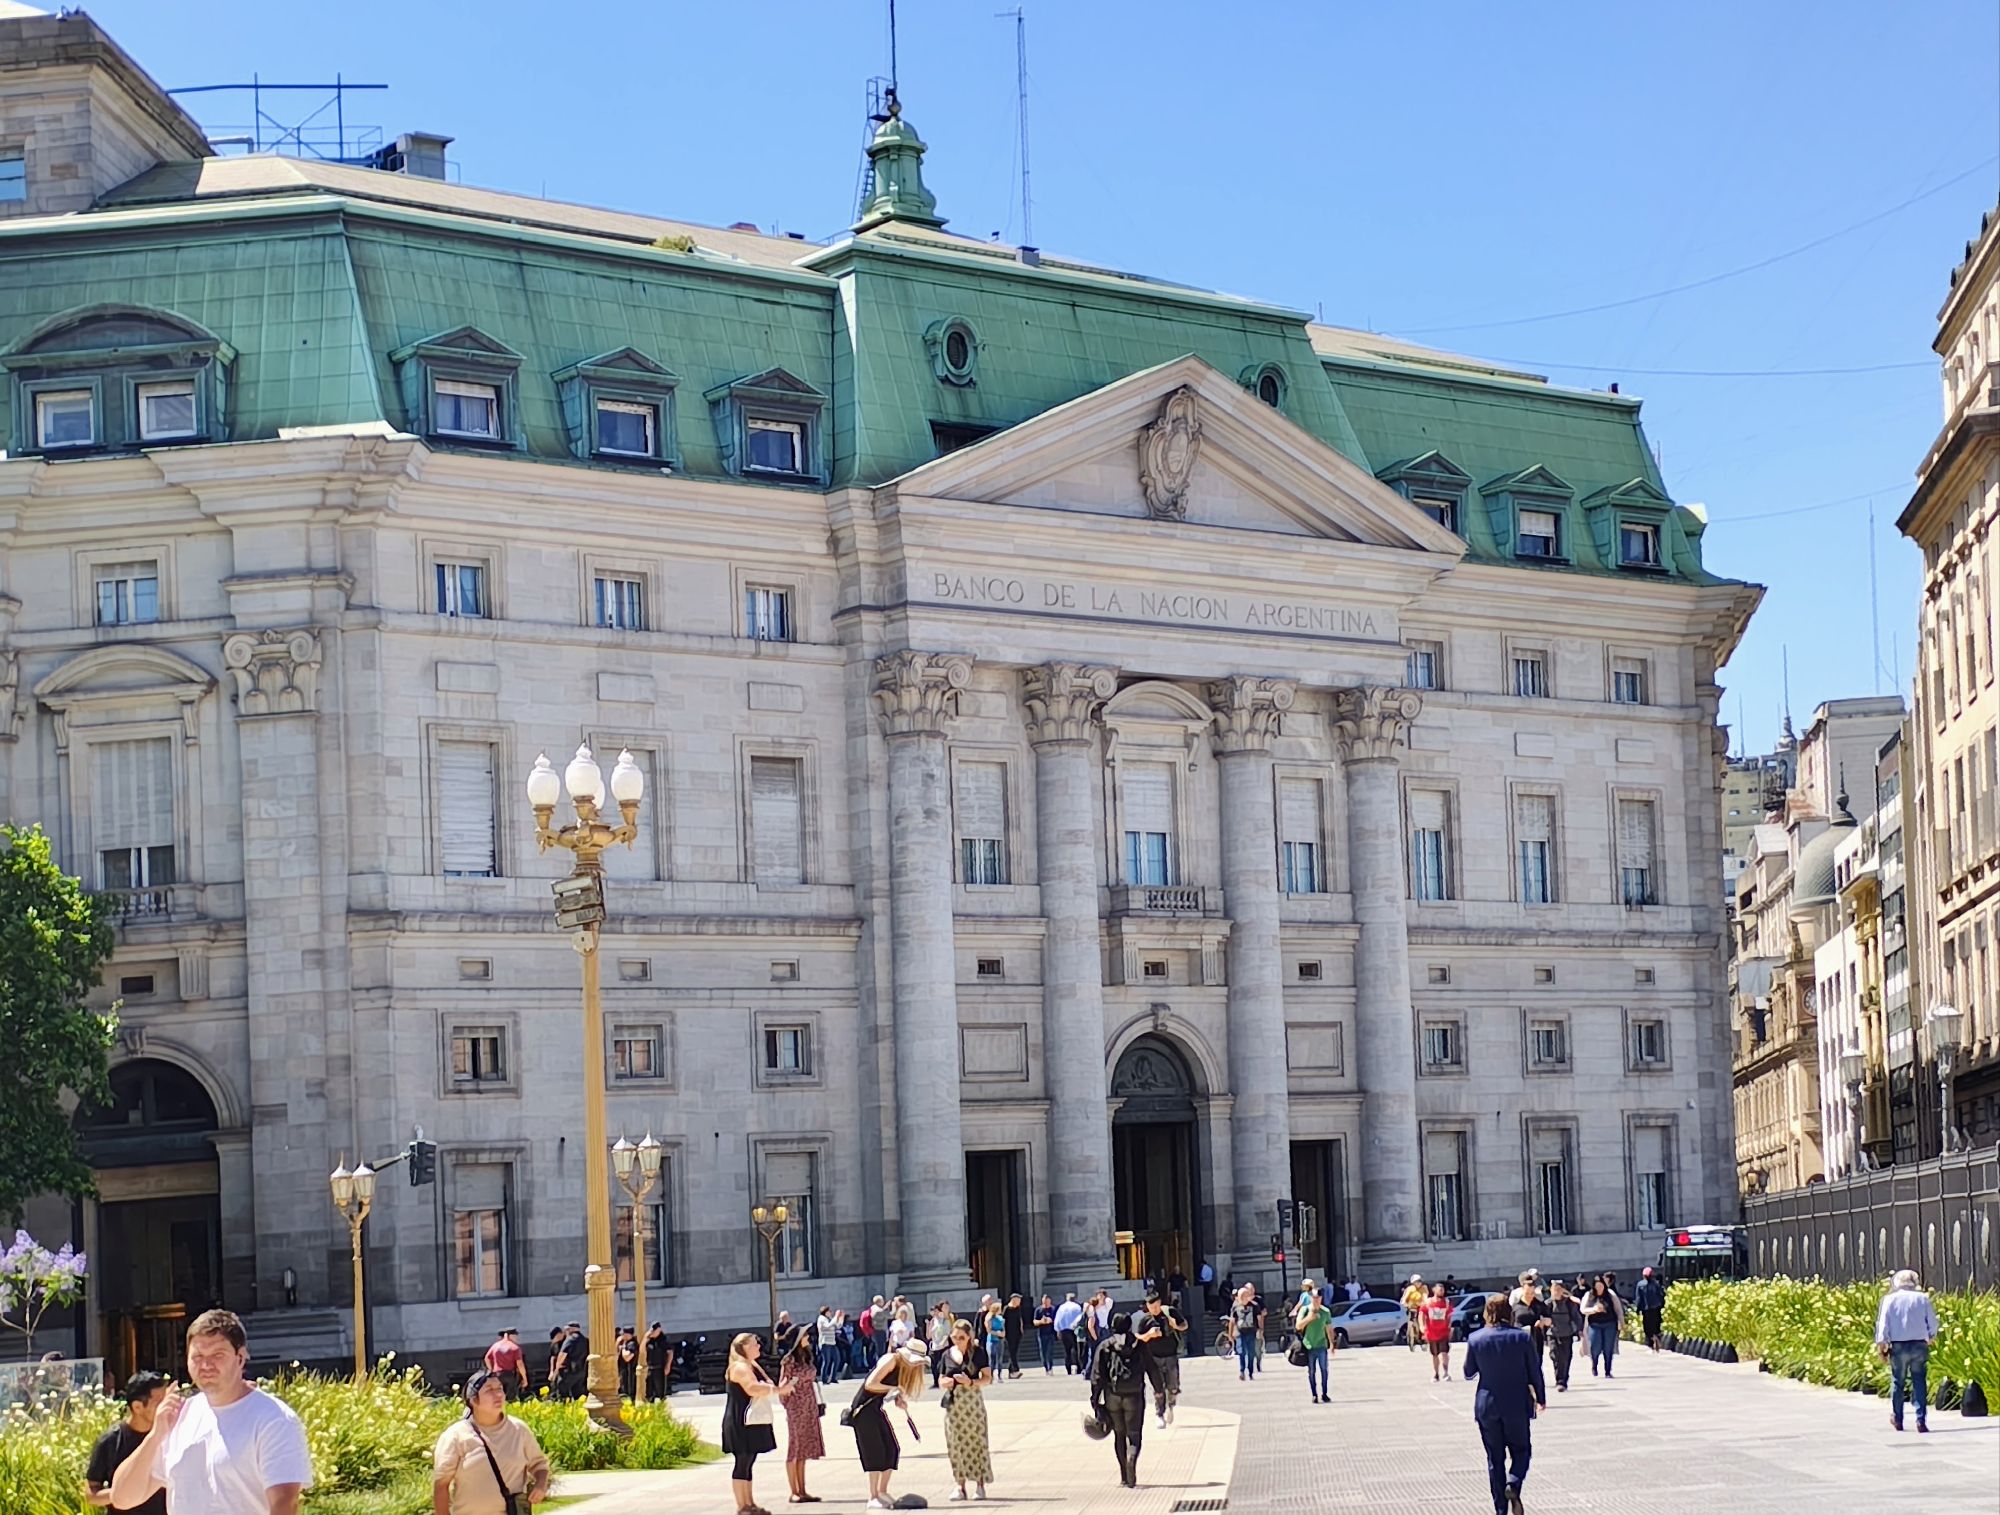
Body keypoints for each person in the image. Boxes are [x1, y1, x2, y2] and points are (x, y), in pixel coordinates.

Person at [110, 1309, 314, 1515]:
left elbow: (285, 1505)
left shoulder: (274, 1419)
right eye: (197, 1356)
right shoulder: (180, 1416)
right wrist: (155, 1436)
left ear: (240, 1357)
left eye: (218, 1355)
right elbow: (122, 1498)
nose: (206, 1365)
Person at [1462, 1294, 1546, 1515]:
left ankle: (1500, 1509)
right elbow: (1534, 1371)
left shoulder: (1476, 1339)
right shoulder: (1522, 1338)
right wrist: (1541, 1397)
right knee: (1521, 1450)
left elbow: (1468, 1372)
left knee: (1494, 1458)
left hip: (1487, 1406)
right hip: (1517, 1404)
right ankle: (1514, 1482)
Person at [432, 1368, 551, 1515]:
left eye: (500, 1389)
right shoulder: (456, 1436)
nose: (499, 1395)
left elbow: (540, 1465)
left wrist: (540, 1484)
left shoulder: (519, 1430)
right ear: (474, 1400)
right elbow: (441, 1485)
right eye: (489, 1390)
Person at [849, 1341, 928, 1510]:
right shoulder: (891, 1360)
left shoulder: (902, 1367)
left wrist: (897, 1398)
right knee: (874, 1451)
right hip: (863, 1411)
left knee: (892, 1449)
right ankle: (872, 1496)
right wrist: (893, 1388)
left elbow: (885, 1390)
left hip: (875, 1408)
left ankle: (882, 1491)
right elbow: (870, 1383)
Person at [85, 1370, 171, 1515]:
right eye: (159, 1402)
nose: (165, 1406)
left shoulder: (170, 1434)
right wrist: (126, 1491)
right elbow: (91, 1494)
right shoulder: (111, 1441)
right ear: (137, 1407)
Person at [1876, 1267, 1942, 1433]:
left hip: (1898, 1345)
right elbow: (1932, 1323)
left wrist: (1882, 1345)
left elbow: (1883, 1324)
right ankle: (1921, 1420)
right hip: (1919, 1344)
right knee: (1919, 1381)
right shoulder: (1922, 1298)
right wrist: (1930, 1336)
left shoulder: (1889, 1300)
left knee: (1898, 1381)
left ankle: (1898, 1418)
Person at [721, 1332, 780, 1515]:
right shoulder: (739, 1367)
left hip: (750, 1420)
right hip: (740, 1420)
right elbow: (752, 1388)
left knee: (749, 1460)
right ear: (744, 1347)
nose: (758, 1347)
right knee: (742, 1460)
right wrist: (776, 1389)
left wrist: (773, 1387)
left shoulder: (750, 1365)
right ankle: (742, 1506)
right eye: (755, 1344)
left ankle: (750, 1502)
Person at [1088, 1312, 1149, 1489]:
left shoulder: (1105, 1346)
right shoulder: (1139, 1344)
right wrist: (1160, 1391)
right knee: (1134, 1434)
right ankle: (1132, 1459)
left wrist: (1095, 1400)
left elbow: (1097, 1376)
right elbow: (1151, 1368)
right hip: (1134, 1395)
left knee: (1119, 1435)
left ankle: (1124, 1475)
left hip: (1113, 1395)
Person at [940, 1317, 994, 1500]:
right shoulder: (947, 1354)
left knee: (977, 1441)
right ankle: (959, 1485)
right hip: (954, 1404)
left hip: (972, 1402)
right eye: (954, 1337)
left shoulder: (978, 1353)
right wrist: (944, 1382)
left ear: (969, 1336)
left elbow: (987, 1378)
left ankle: (980, 1484)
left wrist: (970, 1381)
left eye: (961, 1337)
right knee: (955, 1444)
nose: (957, 1341)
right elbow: (940, 1378)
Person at [777, 1326, 825, 1503]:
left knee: (804, 1447)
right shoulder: (788, 1360)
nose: (808, 1337)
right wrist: (787, 1398)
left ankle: (803, 1490)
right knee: (795, 1446)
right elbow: (782, 1383)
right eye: (805, 1335)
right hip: (796, 1406)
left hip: (809, 1405)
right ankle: (794, 1491)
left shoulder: (806, 1357)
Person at [1133, 1290, 1185, 1427]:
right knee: (1158, 1388)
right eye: (1151, 1307)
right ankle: (1159, 1413)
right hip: (1153, 1358)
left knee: (1173, 1385)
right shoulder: (1145, 1320)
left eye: (1156, 1306)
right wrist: (1149, 1335)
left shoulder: (1170, 1313)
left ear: (1160, 1303)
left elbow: (1185, 1325)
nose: (1154, 1309)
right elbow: (1137, 1337)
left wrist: (1176, 1326)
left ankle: (1171, 1405)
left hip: (1171, 1356)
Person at [1293, 1282, 1333, 1404]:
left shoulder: (1325, 1311)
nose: (1316, 1300)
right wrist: (1310, 1318)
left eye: (1318, 1298)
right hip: (1308, 1345)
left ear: (1321, 1298)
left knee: (1324, 1370)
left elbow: (1329, 1328)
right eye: (1314, 1298)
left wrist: (1332, 1344)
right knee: (1311, 1371)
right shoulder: (1305, 1310)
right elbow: (1298, 1326)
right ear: (1310, 1298)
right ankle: (1314, 1394)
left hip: (1321, 1345)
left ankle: (1324, 1393)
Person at [1545, 1281, 1583, 1393]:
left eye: (1558, 1289)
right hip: (1552, 1334)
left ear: (1562, 1291)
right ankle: (1559, 1380)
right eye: (1553, 1289)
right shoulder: (1548, 1304)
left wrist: (1579, 1331)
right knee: (1555, 1357)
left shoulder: (1569, 1303)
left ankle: (1564, 1380)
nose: (1556, 1292)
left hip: (1567, 1334)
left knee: (1566, 1358)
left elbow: (1576, 1317)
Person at [1582, 1279, 1619, 1379]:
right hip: (1594, 1324)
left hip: (1609, 1323)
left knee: (1608, 1348)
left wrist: (1621, 1322)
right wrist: (1593, 1310)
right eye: (1597, 1286)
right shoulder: (1589, 1295)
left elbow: (1618, 1308)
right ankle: (1594, 1365)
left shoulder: (1610, 1294)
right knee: (1595, 1347)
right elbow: (1583, 1309)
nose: (1599, 1288)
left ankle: (1608, 1370)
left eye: (1601, 1286)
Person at [1421, 1281, 1456, 1383]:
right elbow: (1422, 1314)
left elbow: (1449, 1316)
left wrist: (1450, 1328)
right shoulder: (1428, 1303)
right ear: (1434, 1290)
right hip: (1431, 1333)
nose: (1442, 1291)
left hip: (1443, 1332)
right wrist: (1422, 1327)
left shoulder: (1446, 1302)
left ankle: (1446, 1372)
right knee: (1434, 1354)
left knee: (1444, 1352)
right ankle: (1436, 1374)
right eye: (1440, 1289)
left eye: (1443, 1290)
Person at [483, 1328, 527, 1401]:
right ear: (509, 1336)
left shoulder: (495, 1346)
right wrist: (524, 1378)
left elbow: (487, 1358)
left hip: (497, 1374)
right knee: (511, 1396)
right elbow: (520, 1364)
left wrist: (491, 1369)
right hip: (510, 1374)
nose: (517, 1338)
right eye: (515, 1336)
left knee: (499, 1394)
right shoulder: (515, 1347)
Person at [1229, 1285, 1262, 1381]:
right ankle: (1242, 1371)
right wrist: (1230, 1334)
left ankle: (1250, 1371)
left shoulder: (1255, 1306)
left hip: (1251, 1332)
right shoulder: (1235, 1307)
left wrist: (1260, 1330)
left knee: (1251, 1353)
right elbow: (1232, 1320)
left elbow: (1259, 1319)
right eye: (1241, 1296)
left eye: (1245, 1295)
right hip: (1240, 1333)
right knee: (1241, 1352)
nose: (1243, 1298)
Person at [1632, 1267, 1667, 1353]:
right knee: (1656, 1325)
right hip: (1656, 1308)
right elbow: (1661, 1295)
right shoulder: (1656, 1284)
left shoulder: (1640, 1285)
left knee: (1647, 1327)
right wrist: (1662, 1305)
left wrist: (1637, 1309)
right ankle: (1656, 1339)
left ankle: (1651, 1343)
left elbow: (1639, 1298)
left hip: (1646, 1309)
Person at [556, 1322, 590, 1400]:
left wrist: (556, 1369)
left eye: (567, 1329)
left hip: (568, 1371)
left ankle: (565, 1410)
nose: (566, 1331)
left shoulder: (570, 1339)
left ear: (572, 1329)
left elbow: (562, 1355)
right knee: (578, 1394)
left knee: (562, 1392)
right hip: (581, 1371)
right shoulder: (585, 1340)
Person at [1053, 1292, 1084, 1374]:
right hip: (1074, 1330)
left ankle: (1068, 1368)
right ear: (1075, 1298)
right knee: (1076, 1349)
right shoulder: (1077, 1307)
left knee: (1067, 1350)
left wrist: (1057, 1330)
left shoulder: (1061, 1307)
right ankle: (1078, 1367)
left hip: (1064, 1330)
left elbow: (1057, 1319)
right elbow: (1080, 1318)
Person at [814, 1306, 843, 1388]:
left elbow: (838, 1326)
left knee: (837, 1359)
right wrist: (836, 1317)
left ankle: (833, 1377)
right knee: (826, 1361)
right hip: (825, 1343)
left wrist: (841, 1318)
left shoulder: (829, 1319)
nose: (831, 1312)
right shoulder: (821, 1319)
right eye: (829, 1311)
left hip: (832, 1343)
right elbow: (828, 1326)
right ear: (825, 1311)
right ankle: (824, 1379)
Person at [982, 1301, 1007, 1386]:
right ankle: (991, 1376)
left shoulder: (1000, 1318)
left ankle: (999, 1376)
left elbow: (1003, 1328)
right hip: (992, 1340)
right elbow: (988, 1330)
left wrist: (1003, 1333)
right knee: (992, 1359)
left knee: (999, 1359)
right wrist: (997, 1333)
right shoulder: (989, 1318)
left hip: (1000, 1340)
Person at [645, 1322, 672, 1400]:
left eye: (654, 1330)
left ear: (659, 1330)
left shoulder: (663, 1340)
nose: (652, 1332)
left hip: (660, 1367)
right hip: (649, 1367)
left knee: (661, 1390)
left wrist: (668, 1365)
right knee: (649, 1391)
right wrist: (645, 1338)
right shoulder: (649, 1340)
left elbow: (670, 1352)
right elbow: (642, 1349)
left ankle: (662, 1407)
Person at [1401, 1274, 1428, 1351]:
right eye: (1417, 1282)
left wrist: (1425, 1304)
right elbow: (1403, 1299)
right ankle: (1410, 1338)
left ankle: (1423, 1340)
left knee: (1422, 1324)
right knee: (1411, 1322)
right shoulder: (1410, 1289)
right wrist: (1405, 1304)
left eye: (1420, 1281)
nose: (1419, 1283)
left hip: (1421, 1308)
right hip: (1412, 1308)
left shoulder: (1424, 1288)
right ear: (1413, 1283)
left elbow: (1425, 1298)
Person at [1002, 1293, 1026, 1378]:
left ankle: (1011, 1371)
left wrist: (1021, 1329)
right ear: (1013, 1300)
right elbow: (1003, 1321)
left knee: (1014, 1352)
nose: (1019, 1302)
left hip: (1017, 1333)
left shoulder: (1018, 1309)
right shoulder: (1006, 1309)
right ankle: (1016, 1369)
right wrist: (1003, 1332)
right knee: (1012, 1352)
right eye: (1018, 1300)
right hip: (1009, 1334)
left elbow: (1020, 1320)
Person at [1033, 1295, 1059, 1374]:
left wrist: (1051, 1320)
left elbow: (1057, 1320)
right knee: (1043, 1351)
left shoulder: (1053, 1309)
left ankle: (1050, 1367)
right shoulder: (1038, 1310)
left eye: (1047, 1301)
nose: (1046, 1303)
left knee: (1050, 1351)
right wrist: (1041, 1321)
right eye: (1044, 1301)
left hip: (1051, 1333)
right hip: (1042, 1333)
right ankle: (1046, 1367)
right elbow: (1034, 1322)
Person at [616, 1327, 638, 1402]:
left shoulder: (632, 1344)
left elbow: (627, 1357)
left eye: (623, 1334)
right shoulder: (624, 1343)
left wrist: (623, 1348)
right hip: (623, 1371)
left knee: (628, 1392)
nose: (622, 1336)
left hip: (630, 1372)